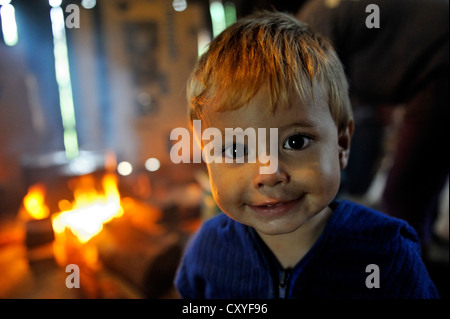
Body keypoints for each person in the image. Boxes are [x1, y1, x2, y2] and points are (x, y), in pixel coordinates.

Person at [174, 11, 438, 299]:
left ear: (342, 144)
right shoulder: (206, 249)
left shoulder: (389, 256)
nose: (269, 174)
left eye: (296, 141)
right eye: (235, 149)